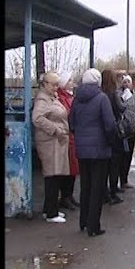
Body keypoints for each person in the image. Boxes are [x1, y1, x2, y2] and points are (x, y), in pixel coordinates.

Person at [69, 68, 116, 236]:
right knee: (97, 187)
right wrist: (110, 142)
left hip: (82, 149)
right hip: (100, 149)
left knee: (85, 185)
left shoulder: (76, 99)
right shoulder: (102, 98)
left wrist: (81, 137)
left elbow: (71, 123)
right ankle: (93, 226)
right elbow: (109, 124)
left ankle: (83, 221)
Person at [31, 72, 71, 223]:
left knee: (55, 175)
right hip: (49, 142)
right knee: (52, 175)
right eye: (53, 84)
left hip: (55, 141)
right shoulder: (42, 100)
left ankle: (50, 208)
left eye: (56, 84)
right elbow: (37, 118)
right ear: (45, 84)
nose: (56, 87)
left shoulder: (50, 98)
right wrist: (55, 129)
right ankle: (51, 213)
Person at [101, 68, 126, 205]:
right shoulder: (113, 93)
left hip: (103, 132)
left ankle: (104, 192)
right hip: (115, 130)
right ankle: (113, 191)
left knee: (105, 164)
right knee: (115, 162)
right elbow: (121, 108)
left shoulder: (100, 93)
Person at [56, 72, 80, 211]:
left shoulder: (69, 96)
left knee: (72, 168)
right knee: (66, 168)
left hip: (72, 136)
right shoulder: (60, 98)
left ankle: (69, 195)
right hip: (65, 136)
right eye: (69, 80)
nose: (72, 82)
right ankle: (65, 196)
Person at [120, 75, 135, 190]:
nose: (126, 84)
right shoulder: (119, 95)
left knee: (129, 155)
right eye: (124, 82)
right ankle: (121, 180)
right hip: (123, 129)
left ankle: (125, 179)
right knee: (123, 155)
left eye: (128, 82)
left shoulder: (134, 94)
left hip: (131, 128)